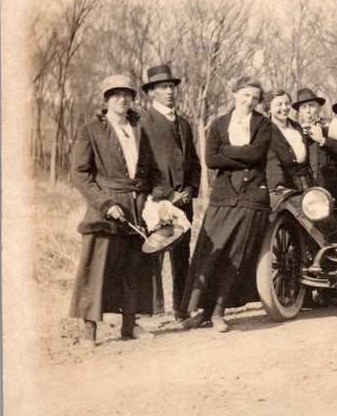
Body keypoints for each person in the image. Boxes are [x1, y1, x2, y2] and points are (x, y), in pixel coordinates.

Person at [69, 74, 165, 346]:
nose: (122, 99)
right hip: (106, 206)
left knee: (133, 268)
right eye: (115, 94)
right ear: (106, 99)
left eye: (127, 94)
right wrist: (106, 204)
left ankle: (130, 326)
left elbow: (153, 171)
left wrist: (156, 198)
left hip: (137, 206)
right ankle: (89, 331)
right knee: (97, 268)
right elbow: (81, 175)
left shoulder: (139, 129)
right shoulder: (91, 130)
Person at [181, 77, 272, 333]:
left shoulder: (263, 124)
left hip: (251, 198)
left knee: (235, 257)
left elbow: (257, 154)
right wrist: (242, 153)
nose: (249, 101)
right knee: (211, 254)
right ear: (234, 94)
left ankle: (218, 313)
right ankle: (202, 312)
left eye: (255, 98)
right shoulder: (220, 123)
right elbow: (211, 159)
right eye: (245, 95)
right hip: (222, 197)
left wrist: (226, 150)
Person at [138, 64, 201, 322]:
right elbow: (142, 166)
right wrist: (165, 194)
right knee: (154, 252)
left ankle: (181, 308)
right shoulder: (143, 122)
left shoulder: (184, 124)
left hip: (183, 202)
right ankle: (149, 311)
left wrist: (190, 189)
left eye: (172, 86)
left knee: (182, 253)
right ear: (151, 92)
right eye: (163, 87)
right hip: (157, 201)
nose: (169, 91)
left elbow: (194, 163)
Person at [266, 89, 316, 193]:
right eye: (279, 104)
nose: (284, 108)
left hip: (308, 183)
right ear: (269, 109)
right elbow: (272, 164)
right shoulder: (266, 132)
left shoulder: (297, 127)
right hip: (285, 187)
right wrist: (279, 186)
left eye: (287, 103)